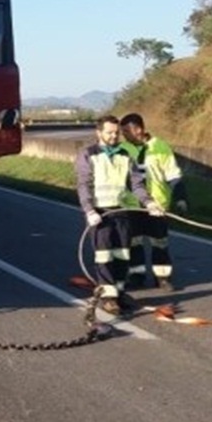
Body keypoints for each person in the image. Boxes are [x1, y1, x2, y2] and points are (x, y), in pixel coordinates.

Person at [75, 115, 164, 315]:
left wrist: (149, 202)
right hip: (100, 213)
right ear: (99, 133)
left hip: (122, 212)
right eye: (109, 132)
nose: (114, 136)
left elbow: (136, 184)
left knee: (123, 255)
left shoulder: (125, 155)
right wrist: (89, 210)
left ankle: (120, 292)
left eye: (116, 133)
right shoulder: (88, 154)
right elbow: (84, 185)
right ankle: (108, 297)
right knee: (104, 256)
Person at [119, 112, 188, 292]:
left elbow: (173, 175)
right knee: (134, 242)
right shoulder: (124, 149)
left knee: (160, 242)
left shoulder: (160, 147)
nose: (123, 135)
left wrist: (180, 198)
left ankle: (163, 278)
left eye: (127, 131)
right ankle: (137, 275)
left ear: (139, 130)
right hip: (132, 204)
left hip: (157, 204)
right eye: (122, 131)